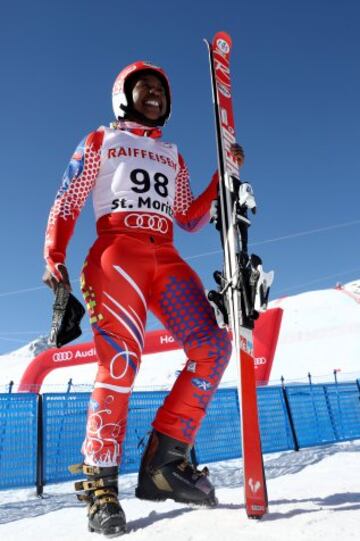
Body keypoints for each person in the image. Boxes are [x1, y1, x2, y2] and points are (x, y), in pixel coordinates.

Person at [43, 61, 244, 537]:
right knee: (120, 363)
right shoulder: (100, 140)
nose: (154, 93)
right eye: (144, 87)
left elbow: (187, 217)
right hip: (117, 255)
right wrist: (54, 256)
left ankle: (165, 463)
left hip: (166, 257)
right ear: (123, 95)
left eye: (160, 89)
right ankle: (100, 482)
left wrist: (222, 176)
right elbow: (68, 199)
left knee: (213, 348)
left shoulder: (172, 153)